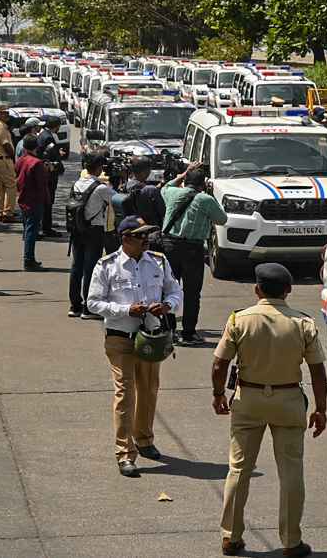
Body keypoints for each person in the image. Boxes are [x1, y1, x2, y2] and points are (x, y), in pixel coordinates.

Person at [212, 263, 327, 558]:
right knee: (291, 472)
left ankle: (230, 538)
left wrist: (218, 395)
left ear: (257, 289)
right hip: (288, 400)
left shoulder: (239, 320)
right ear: (288, 290)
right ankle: (291, 541)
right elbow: (317, 371)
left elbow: (219, 363)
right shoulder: (303, 323)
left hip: (248, 398)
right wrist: (320, 409)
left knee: (239, 469)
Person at [87, 216, 183, 477]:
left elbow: (175, 291)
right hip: (120, 338)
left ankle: (144, 439)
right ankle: (124, 452)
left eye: (147, 235)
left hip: (150, 338)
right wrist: (126, 309)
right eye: (141, 236)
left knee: (149, 390)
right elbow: (93, 303)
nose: (146, 240)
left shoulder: (159, 262)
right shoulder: (107, 265)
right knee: (125, 394)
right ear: (125, 238)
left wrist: (168, 305)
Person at [161, 162, 227, 346]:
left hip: (170, 246)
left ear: (185, 181)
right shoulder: (205, 199)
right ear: (203, 184)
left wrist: (182, 174)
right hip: (192, 249)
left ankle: (169, 329)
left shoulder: (172, 193)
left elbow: (166, 186)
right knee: (191, 292)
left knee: (168, 288)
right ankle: (188, 333)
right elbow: (222, 219)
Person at [69, 155, 114, 319]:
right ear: (98, 168)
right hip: (94, 231)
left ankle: (75, 306)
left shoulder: (76, 183)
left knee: (76, 267)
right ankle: (89, 309)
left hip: (77, 230)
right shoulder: (100, 187)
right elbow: (114, 199)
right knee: (91, 269)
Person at [15, 135, 49, 271]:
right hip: (34, 200)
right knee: (31, 231)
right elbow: (42, 184)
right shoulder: (36, 163)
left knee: (28, 229)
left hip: (24, 198)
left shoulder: (21, 160)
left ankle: (29, 259)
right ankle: (28, 260)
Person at [37, 116, 66, 237]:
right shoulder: (48, 137)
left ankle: (46, 224)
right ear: (56, 125)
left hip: (45, 171)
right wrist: (59, 162)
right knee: (48, 201)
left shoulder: (43, 134)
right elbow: (50, 153)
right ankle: (46, 227)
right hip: (49, 173)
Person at [0, 106, 19, 223]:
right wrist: (13, 156)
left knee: (0, 186)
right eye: (4, 113)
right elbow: (6, 145)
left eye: (7, 113)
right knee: (11, 186)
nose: (7, 115)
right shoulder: (0, 127)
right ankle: (7, 212)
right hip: (4, 159)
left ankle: (2, 211)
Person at [121, 157, 166, 228]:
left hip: (132, 227)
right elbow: (163, 211)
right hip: (148, 230)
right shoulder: (151, 190)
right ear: (145, 171)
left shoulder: (126, 185)